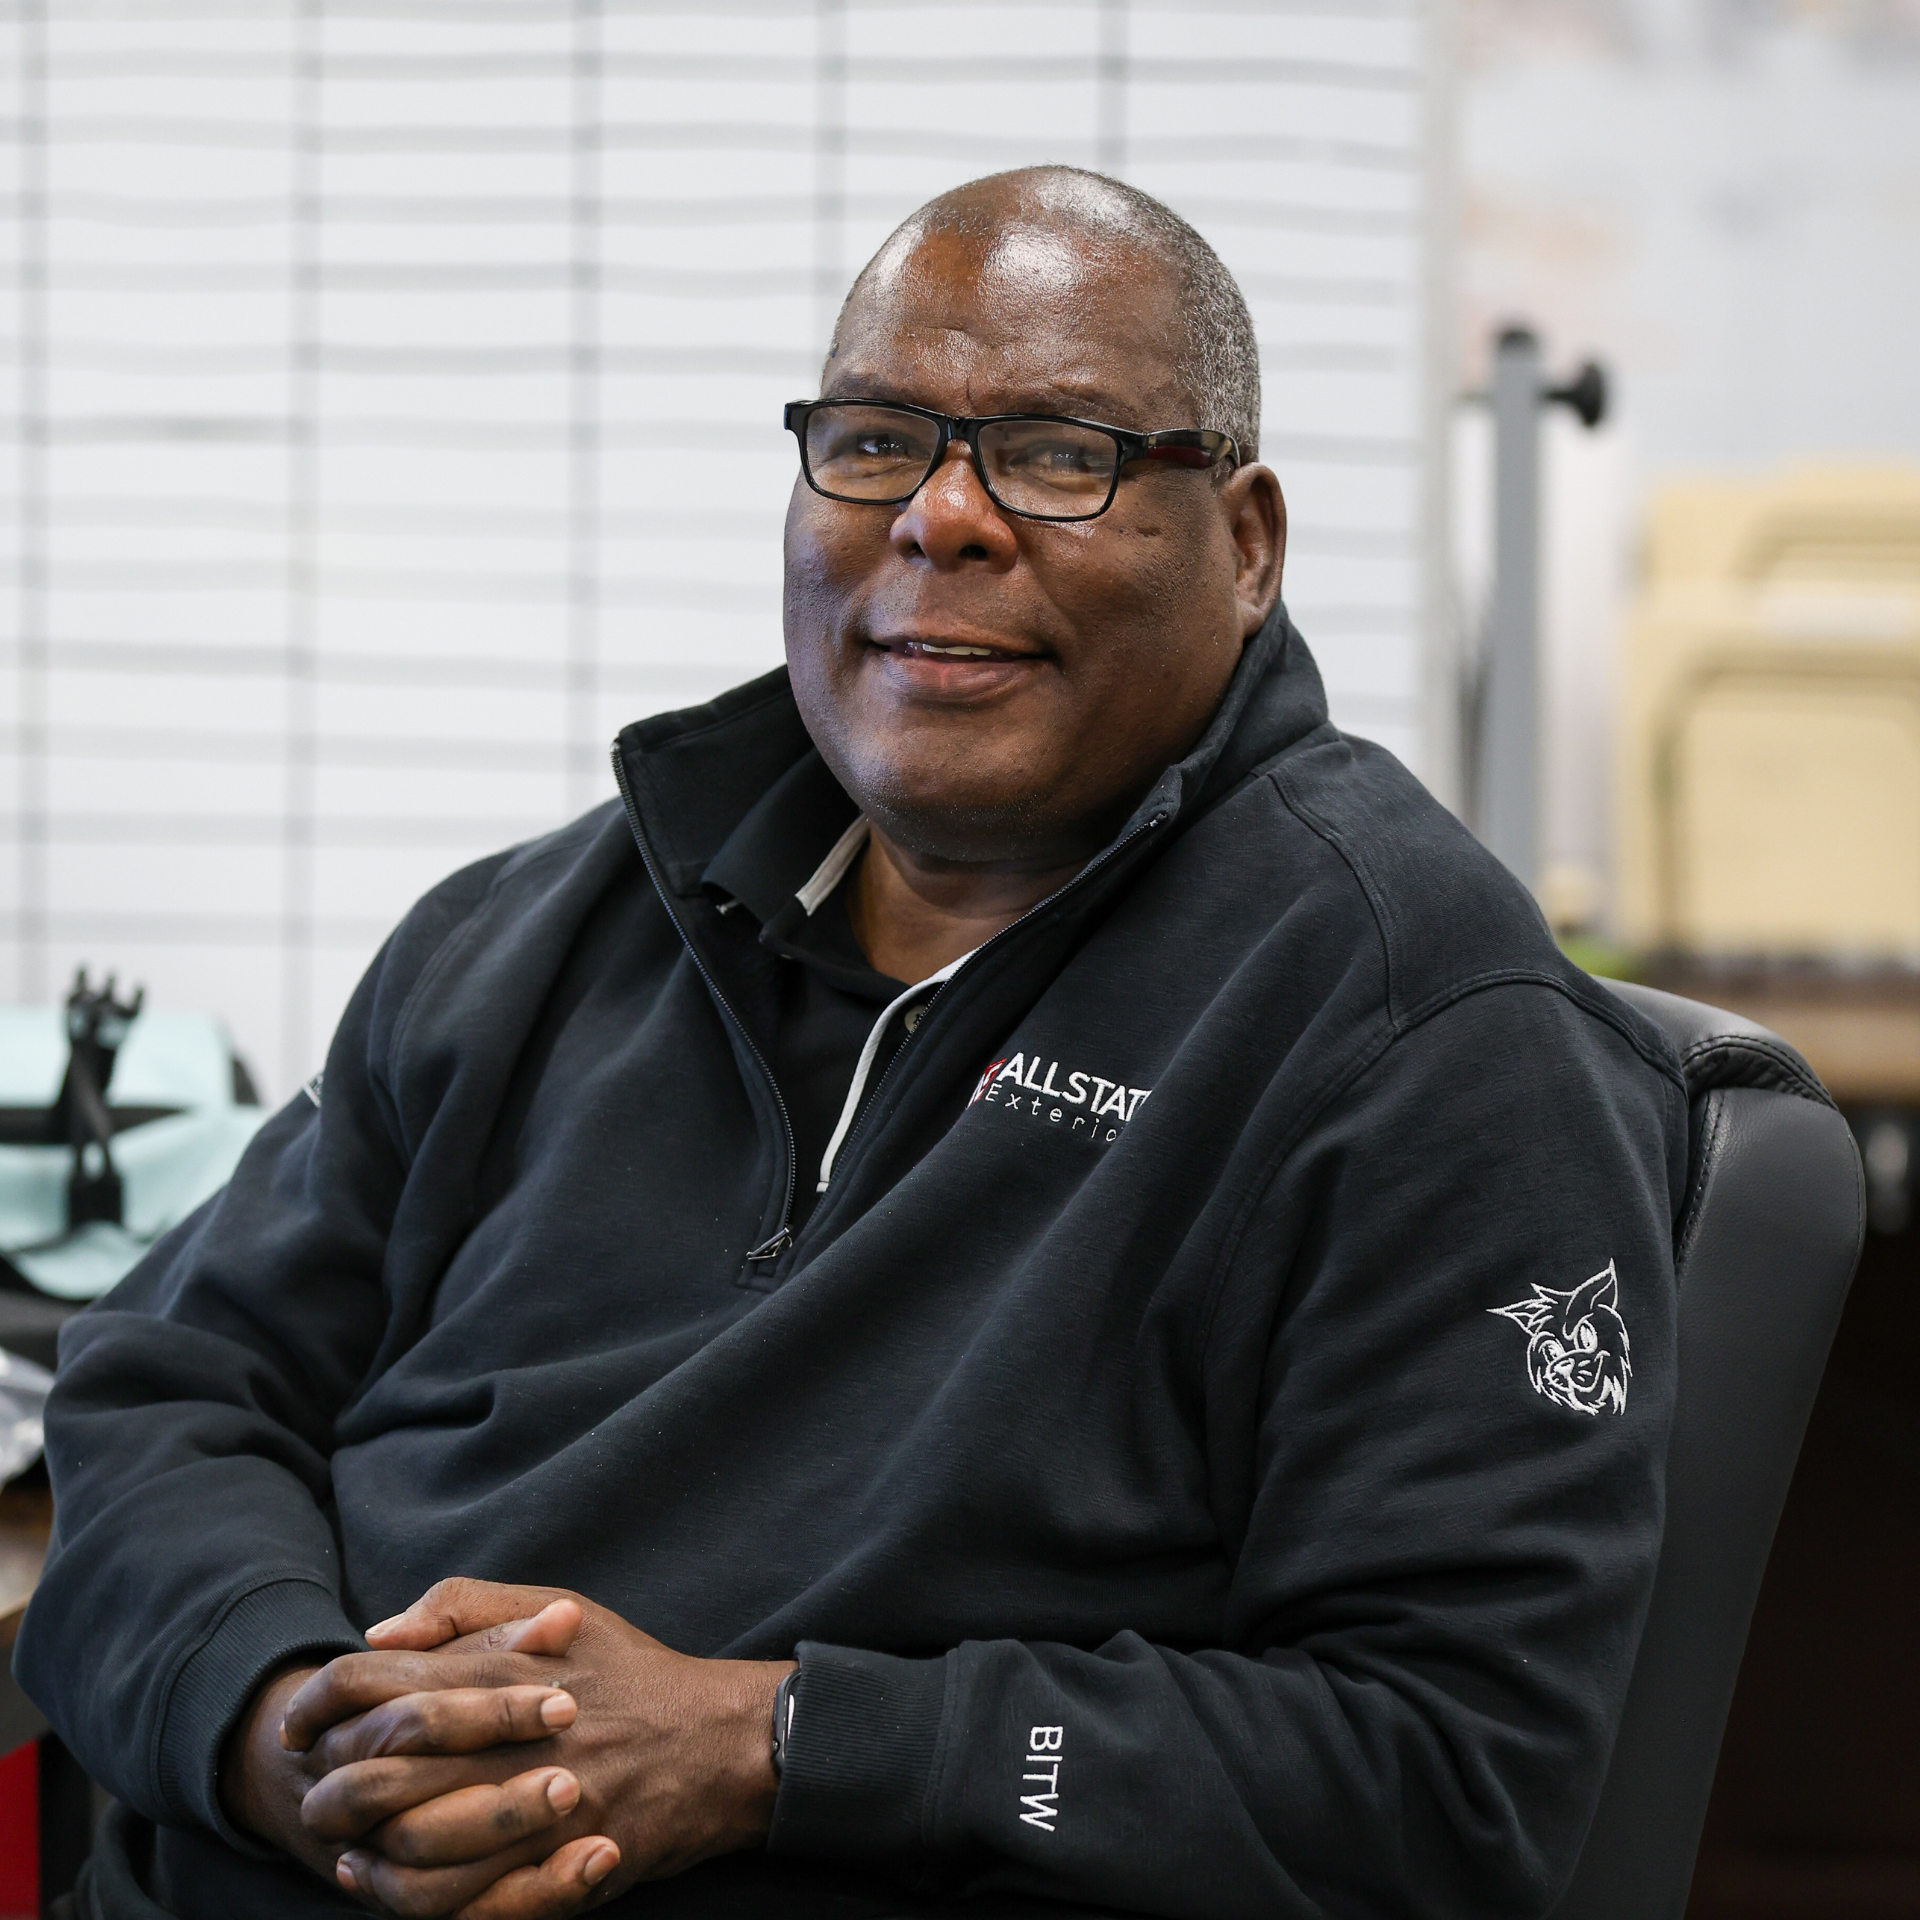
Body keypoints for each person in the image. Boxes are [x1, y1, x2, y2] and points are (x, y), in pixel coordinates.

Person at [16, 168, 1687, 1920]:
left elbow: (1447, 1783)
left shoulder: (1426, 1035)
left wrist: (780, 1748)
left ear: (1247, 543)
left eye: (1058, 452)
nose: (943, 517)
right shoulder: (531, 937)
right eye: (878, 439)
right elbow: (168, 1388)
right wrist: (283, 1726)